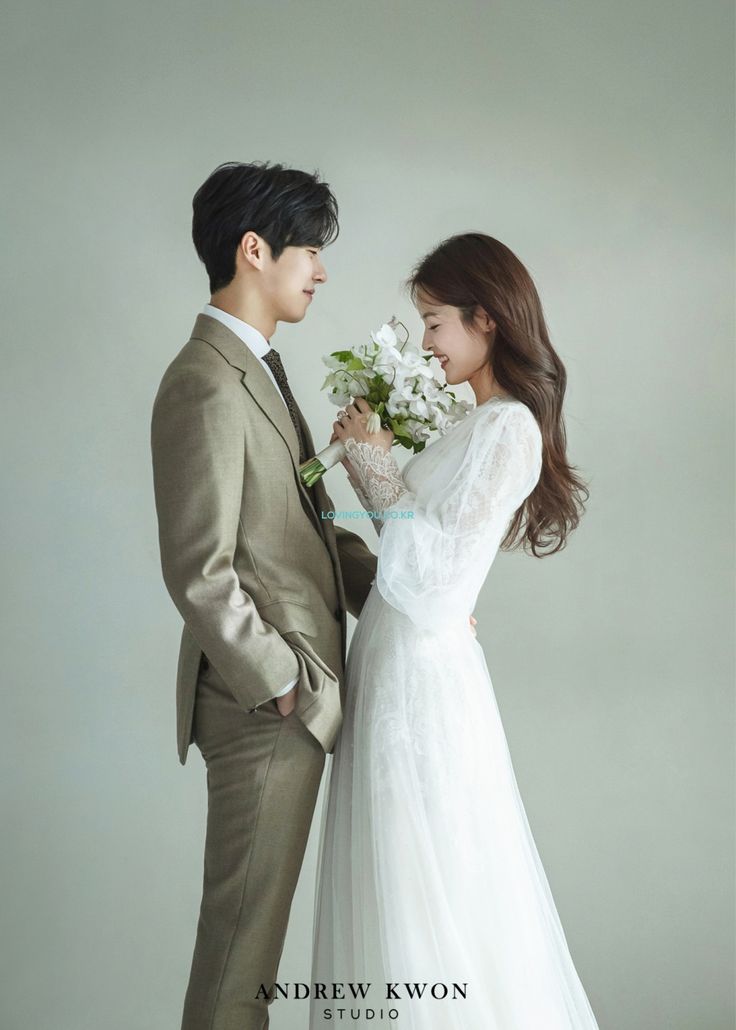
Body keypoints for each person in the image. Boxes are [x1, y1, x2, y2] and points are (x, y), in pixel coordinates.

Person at [309, 233, 600, 1029]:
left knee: (422, 889)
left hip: (422, 682)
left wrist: (371, 464)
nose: (428, 344)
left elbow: (433, 587)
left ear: (487, 321)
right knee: (392, 884)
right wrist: (374, 464)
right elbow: (418, 556)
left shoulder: (508, 430)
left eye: (435, 323)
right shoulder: (474, 425)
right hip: (397, 662)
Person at [150, 160, 380, 1030]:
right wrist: (283, 683)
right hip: (264, 710)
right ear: (255, 250)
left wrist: (411, 593)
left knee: (253, 954)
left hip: (293, 702)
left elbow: (311, 532)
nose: (319, 271)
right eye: (309, 251)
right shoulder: (204, 380)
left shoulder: (263, 370)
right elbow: (200, 568)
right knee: (241, 954)